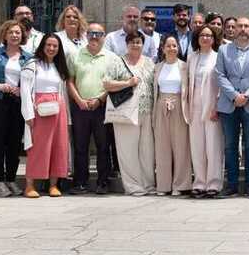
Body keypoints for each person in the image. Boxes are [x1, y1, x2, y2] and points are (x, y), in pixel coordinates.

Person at [215, 17, 249, 199]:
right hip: (228, 104)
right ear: (234, 29)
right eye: (240, 26)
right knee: (230, 146)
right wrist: (234, 96)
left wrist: (246, 96)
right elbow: (220, 75)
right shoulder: (223, 50)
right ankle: (231, 186)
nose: (243, 29)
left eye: (247, 26)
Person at [66, 22, 121, 195]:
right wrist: (79, 100)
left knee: (103, 146)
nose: (94, 37)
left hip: (102, 106)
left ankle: (102, 182)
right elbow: (70, 81)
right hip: (80, 106)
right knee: (80, 146)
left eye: (98, 34)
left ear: (104, 36)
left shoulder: (112, 57)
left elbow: (114, 83)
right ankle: (80, 182)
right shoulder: (76, 55)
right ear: (86, 36)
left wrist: (100, 99)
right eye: (91, 33)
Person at [0, 20, 32, 197]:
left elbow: (32, 81)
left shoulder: (28, 57)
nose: (15, 35)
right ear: (5, 35)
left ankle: (11, 179)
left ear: (23, 36)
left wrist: (22, 89)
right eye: (11, 32)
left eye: (18, 32)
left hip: (18, 103)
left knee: (14, 143)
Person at [102, 31, 156, 196]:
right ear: (127, 44)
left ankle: (148, 185)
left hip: (146, 112)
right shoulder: (118, 62)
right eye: (132, 41)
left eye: (138, 41)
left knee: (147, 150)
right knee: (127, 150)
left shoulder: (149, 63)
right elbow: (106, 83)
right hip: (126, 113)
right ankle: (133, 186)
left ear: (143, 44)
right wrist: (127, 83)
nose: (135, 44)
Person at [19, 33, 71, 198]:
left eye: (55, 46)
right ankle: (29, 185)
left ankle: (53, 185)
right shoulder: (32, 65)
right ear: (42, 46)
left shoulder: (59, 66)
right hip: (39, 110)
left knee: (58, 146)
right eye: (48, 45)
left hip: (58, 109)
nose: (51, 48)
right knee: (38, 147)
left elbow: (63, 91)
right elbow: (25, 91)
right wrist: (28, 114)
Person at [152, 34, 192, 196]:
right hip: (161, 106)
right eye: (168, 45)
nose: (171, 48)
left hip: (179, 106)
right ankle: (163, 185)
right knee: (162, 147)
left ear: (178, 48)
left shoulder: (184, 66)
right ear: (163, 48)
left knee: (181, 146)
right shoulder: (157, 67)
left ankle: (180, 185)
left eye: (174, 45)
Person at [186, 25, 224, 198]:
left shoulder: (218, 57)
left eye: (209, 35)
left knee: (213, 146)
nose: (205, 38)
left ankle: (214, 184)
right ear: (197, 38)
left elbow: (222, 85)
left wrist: (217, 106)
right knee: (197, 146)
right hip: (194, 105)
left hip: (212, 105)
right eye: (202, 35)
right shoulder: (192, 57)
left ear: (214, 39)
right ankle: (199, 183)